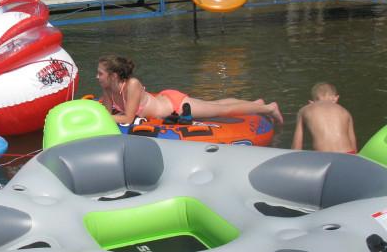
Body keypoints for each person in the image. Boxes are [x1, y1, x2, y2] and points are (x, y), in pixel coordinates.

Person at [97, 55, 284, 125]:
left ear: (114, 76)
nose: (97, 77)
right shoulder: (107, 88)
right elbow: (108, 113)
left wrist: (99, 118)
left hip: (175, 105)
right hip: (163, 100)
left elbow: (128, 118)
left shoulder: (132, 85)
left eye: (100, 73)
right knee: (213, 104)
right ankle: (255, 103)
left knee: (221, 111)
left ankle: (268, 108)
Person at [291, 82, 357, 153]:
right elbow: (354, 148)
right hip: (349, 154)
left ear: (311, 102)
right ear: (336, 98)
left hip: (324, 157)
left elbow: (296, 147)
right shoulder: (345, 112)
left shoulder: (305, 110)